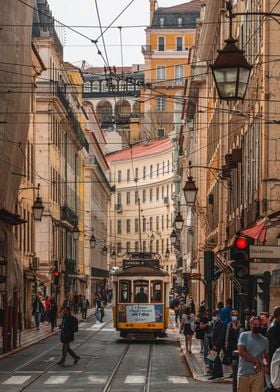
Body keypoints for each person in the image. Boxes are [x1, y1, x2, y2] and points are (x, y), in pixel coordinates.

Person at [237, 316, 269, 392]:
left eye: (259, 325)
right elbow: (241, 352)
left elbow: (266, 356)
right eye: (255, 324)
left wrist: (265, 365)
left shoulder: (264, 340)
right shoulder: (244, 335)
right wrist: (255, 361)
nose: (257, 327)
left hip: (258, 375)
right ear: (250, 325)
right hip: (244, 373)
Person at [209, 309, 226, 380]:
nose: (214, 317)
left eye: (215, 315)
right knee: (215, 358)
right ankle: (218, 373)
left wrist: (216, 344)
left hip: (217, 344)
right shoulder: (215, 323)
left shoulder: (221, 323)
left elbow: (221, 335)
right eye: (213, 316)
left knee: (213, 358)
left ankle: (215, 374)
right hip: (214, 343)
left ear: (218, 315)